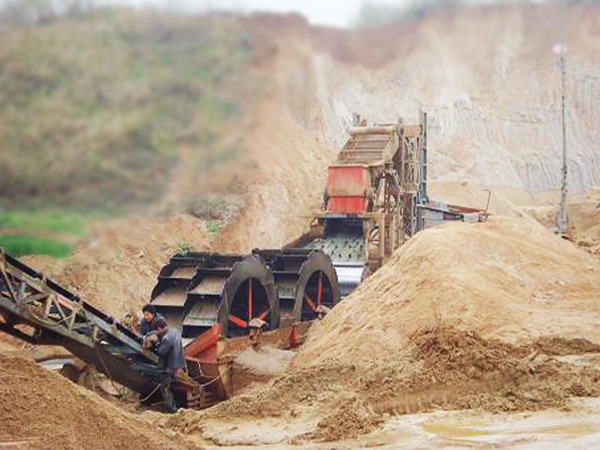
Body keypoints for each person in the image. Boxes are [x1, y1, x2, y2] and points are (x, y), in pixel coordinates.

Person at [154, 317, 186, 413]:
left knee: (165, 388)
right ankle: (179, 406)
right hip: (178, 364)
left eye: (156, 330)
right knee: (174, 387)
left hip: (168, 367)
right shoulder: (175, 331)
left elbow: (161, 352)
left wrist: (155, 342)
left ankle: (171, 410)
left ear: (159, 328)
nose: (156, 332)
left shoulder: (166, 338)